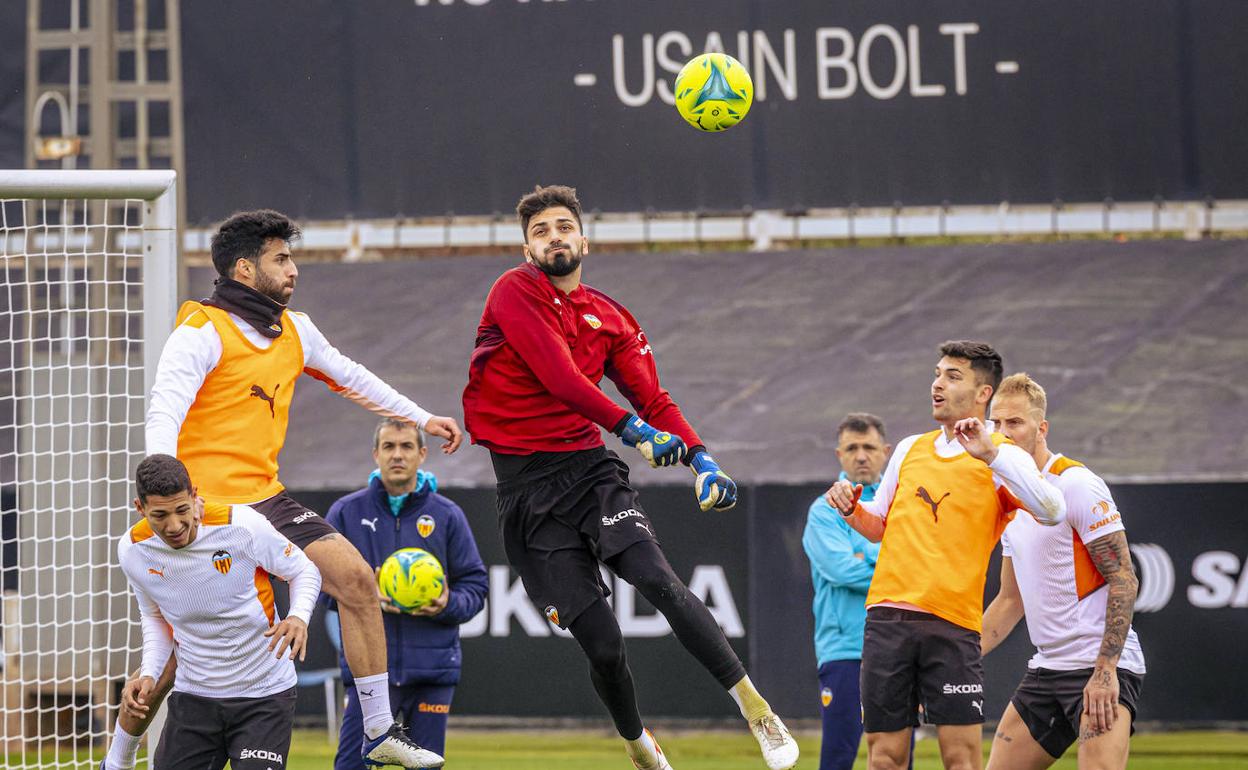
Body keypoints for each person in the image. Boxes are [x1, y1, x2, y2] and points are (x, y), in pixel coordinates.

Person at [461, 184, 800, 770]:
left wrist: (702, 459)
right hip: (525, 493)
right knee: (602, 644)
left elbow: (654, 397)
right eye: (540, 232)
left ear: (584, 239)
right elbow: (561, 377)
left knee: (660, 582)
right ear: (526, 250)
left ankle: (756, 709)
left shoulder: (610, 316)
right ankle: (638, 744)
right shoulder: (514, 291)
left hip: (590, 472)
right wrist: (636, 432)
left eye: (564, 226)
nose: (554, 237)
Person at [142, 209, 455, 768]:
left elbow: (351, 376)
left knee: (358, 581)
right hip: (206, 510)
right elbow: (164, 411)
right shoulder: (200, 330)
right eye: (280, 258)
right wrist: (164, 493)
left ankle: (380, 732)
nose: (294, 269)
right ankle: (124, 749)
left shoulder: (295, 328)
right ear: (244, 269)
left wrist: (423, 417)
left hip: (267, 499)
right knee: (181, 656)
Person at [825, 340, 1067, 770]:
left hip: (952, 627)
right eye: (937, 374)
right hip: (886, 620)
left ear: (982, 394)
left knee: (961, 761)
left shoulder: (1001, 453)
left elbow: (1052, 510)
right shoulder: (909, 448)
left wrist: (991, 455)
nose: (937, 384)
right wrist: (850, 509)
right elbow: (878, 525)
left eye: (953, 377)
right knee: (884, 758)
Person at [106, 454, 321, 770]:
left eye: (182, 510)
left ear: (195, 495)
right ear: (140, 509)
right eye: (160, 515)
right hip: (195, 697)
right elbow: (154, 617)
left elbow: (304, 570)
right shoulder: (133, 550)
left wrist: (298, 616)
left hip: (264, 695)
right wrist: (150, 672)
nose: (175, 525)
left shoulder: (242, 526)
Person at [981, 373, 1145, 770]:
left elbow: (1124, 577)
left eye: (1015, 423)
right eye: (997, 424)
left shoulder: (1076, 484)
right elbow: (1009, 600)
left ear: (1042, 428)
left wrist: (1105, 670)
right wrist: (956, 662)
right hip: (1047, 668)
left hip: (1099, 667)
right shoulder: (1007, 495)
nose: (1004, 433)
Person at [324, 417, 489, 768]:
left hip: (432, 673)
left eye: (406, 447)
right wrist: (363, 597)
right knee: (352, 765)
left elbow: (476, 587)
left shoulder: (447, 515)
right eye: (389, 447)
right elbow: (321, 585)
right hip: (369, 675)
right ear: (376, 454)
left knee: (427, 766)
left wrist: (446, 604)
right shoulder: (346, 512)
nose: (397, 455)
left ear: (422, 454)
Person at [804, 413, 907, 770]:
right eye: (852, 448)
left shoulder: (901, 504)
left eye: (869, 447)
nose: (861, 455)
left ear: (886, 452)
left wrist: (865, 557)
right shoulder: (824, 510)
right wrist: (894, 562)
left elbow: (859, 566)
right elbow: (841, 570)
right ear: (839, 455)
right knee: (838, 756)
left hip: (899, 646)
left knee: (898, 759)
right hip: (845, 649)